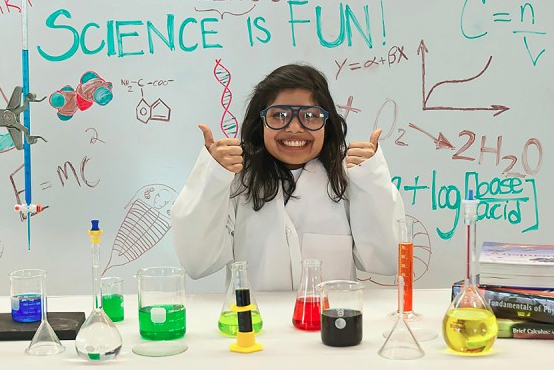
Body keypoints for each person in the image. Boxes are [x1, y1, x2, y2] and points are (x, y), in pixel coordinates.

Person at [171, 64, 404, 291]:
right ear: (260, 123)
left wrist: (372, 182)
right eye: (279, 115)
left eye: (310, 116)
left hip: (329, 323)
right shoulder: (237, 180)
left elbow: (388, 260)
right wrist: (213, 176)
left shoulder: (350, 177)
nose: (294, 127)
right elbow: (197, 263)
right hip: (255, 325)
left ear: (328, 124)